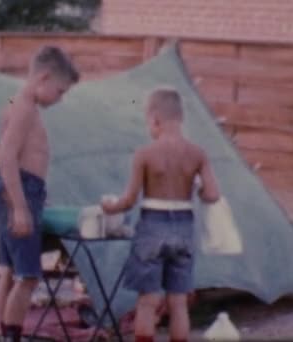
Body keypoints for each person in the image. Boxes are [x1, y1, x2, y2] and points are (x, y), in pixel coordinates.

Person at [101, 86, 220, 342]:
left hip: (152, 227)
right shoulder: (198, 153)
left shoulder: (144, 154)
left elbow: (129, 201)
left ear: (154, 119)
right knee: (178, 302)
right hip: (184, 228)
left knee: (147, 302)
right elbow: (213, 195)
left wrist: (109, 207)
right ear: (181, 118)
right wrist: (196, 188)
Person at [0, 45, 79, 342]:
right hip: (17, 191)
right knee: (28, 277)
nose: (60, 98)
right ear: (44, 77)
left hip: (14, 189)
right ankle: (12, 337)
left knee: (9, 272)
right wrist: (21, 206)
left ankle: (5, 334)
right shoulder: (25, 108)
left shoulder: (16, 102)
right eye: (60, 91)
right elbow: (5, 157)